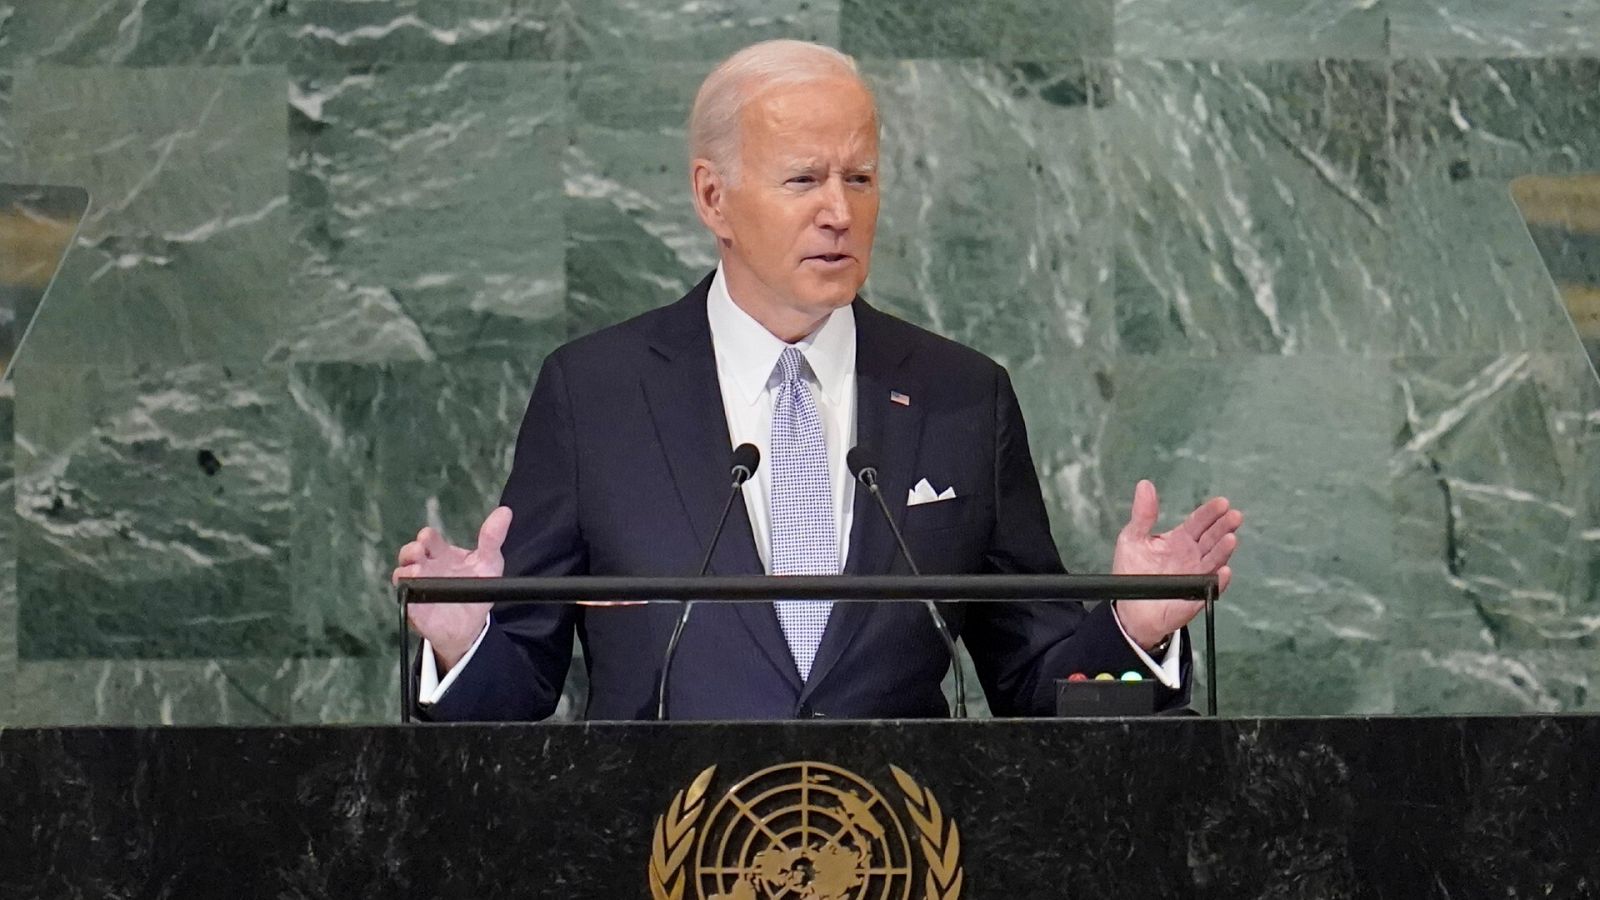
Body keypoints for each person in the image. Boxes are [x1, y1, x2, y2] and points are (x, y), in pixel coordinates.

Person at [392, 39, 1242, 721]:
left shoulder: (960, 396)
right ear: (713, 198)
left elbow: (1036, 686)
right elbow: (513, 697)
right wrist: (461, 646)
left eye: (859, 179)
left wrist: (1132, 631)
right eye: (803, 179)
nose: (838, 211)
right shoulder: (596, 395)